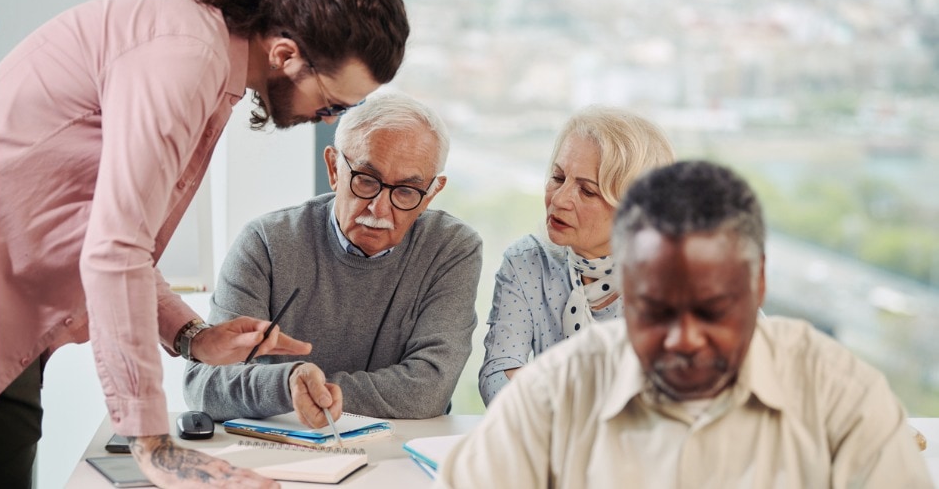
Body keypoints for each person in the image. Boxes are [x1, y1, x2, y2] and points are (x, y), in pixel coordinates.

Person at [0, 0, 409, 487]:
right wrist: (153, 446)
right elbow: (115, 250)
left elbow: (104, 230)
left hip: (10, 321)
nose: (326, 121)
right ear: (286, 55)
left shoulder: (196, 48)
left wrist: (192, 337)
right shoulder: (186, 54)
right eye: (331, 106)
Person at [439, 160, 932, 488]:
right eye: (656, 309)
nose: (684, 339)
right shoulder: (555, 396)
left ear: (759, 284)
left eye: (713, 308)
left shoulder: (841, 402)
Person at [183, 90, 482, 425]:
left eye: (406, 192)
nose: (379, 209)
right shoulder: (266, 242)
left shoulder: (452, 249)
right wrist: (288, 384)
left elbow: (429, 389)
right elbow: (205, 385)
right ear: (334, 168)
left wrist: (318, 392)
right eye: (366, 181)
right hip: (285, 448)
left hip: (401, 456)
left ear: (430, 194)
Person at [478, 106, 675, 405]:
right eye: (558, 177)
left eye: (587, 191)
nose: (559, 199)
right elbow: (497, 379)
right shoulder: (527, 260)